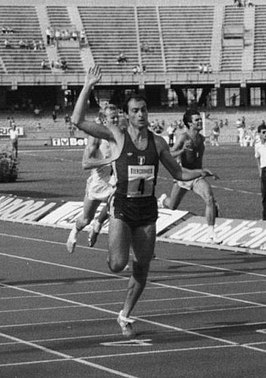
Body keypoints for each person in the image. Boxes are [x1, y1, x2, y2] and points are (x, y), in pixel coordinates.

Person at [70, 65, 217, 337]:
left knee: (143, 266)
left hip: (147, 211)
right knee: (117, 264)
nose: (141, 115)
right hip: (123, 208)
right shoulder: (117, 135)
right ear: (127, 115)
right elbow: (77, 120)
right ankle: (114, 245)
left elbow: (178, 172)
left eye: (144, 110)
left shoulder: (158, 142)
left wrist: (200, 172)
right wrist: (88, 85)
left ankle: (125, 315)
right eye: (135, 111)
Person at [158, 109, 220, 244]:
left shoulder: (201, 138)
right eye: (196, 120)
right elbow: (168, 155)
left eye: (199, 119)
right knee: (172, 205)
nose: (199, 121)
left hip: (197, 176)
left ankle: (211, 234)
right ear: (190, 124)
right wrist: (182, 150)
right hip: (183, 175)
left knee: (209, 198)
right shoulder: (183, 137)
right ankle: (163, 201)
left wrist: (205, 172)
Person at [66, 105, 118, 254]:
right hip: (98, 182)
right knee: (85, 219)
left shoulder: (120, 132)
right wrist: (108, 161)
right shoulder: (96, 136)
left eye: (117, 116)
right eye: (112, 117)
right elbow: (85, 163)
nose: (115, 119)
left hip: (114, 181)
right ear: (103, 119)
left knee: (120, 212)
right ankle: (74, 232)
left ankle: (117, 251)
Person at [255, 123, 266, 220]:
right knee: (264, 195)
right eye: (263, 132)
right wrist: (260, 172)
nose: (265, 134)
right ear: (259, 134)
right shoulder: (258, 146)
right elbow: (257, 158)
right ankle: (264, 218)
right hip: (264, 171)